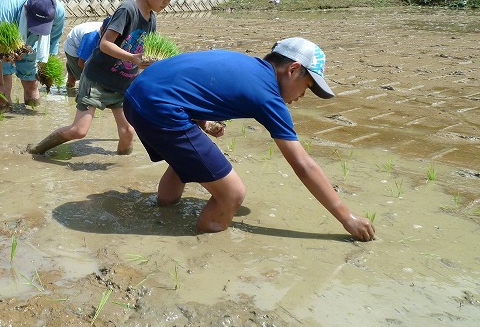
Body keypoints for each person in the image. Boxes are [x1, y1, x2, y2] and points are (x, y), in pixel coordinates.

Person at [123, 37, 375, 241]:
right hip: (159, 108)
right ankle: (203, 245)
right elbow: (302, 164)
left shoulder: (247, 66)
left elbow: (191, 86)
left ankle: (165, 211)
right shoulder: (268, 96)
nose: (302, 95)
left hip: (137, 94)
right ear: (293, 70)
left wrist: (202, 123)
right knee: (232, 193)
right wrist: (346, 217)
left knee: (186, 159)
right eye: (307, 86)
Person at [27, 0, 187, 156]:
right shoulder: (128, 9)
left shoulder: (151, 19)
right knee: (79, 130)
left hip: (122, 84)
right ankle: (36, 151)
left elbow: (144, 53)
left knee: (128, 132)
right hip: (97, 79)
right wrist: (133, 58)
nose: (166, 2)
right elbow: (105, 44)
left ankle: (120, 171)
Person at [0, 0, 66, 109]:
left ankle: (35, 121)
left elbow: (52, 42)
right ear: (26, 8)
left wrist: (45, 68)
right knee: (4, 91)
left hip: (33, 41)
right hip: (8, 30)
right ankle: (5, 114)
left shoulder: (57, 11)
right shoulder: (4, 10)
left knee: (32, 85)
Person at [63, 19, 107, 88]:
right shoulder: (91, 37)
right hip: (73, 46)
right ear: (102, 30)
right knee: (82, 75)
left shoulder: (112, 30)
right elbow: (81, 63)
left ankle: (69, 88)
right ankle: (71, 89)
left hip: (82, 37)